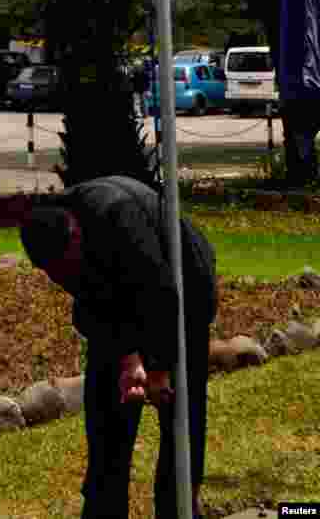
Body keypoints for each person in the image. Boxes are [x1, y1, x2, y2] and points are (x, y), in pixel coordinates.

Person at [19, 175, 217, 519]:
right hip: (126, 300)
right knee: (106, 415)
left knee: (181, 414)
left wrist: (156, 369)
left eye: (66, 265)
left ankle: (179, 508)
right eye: (53, 272)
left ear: (76, 234)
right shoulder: (52, 237)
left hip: (185, 291)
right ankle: (102, 509)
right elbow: (91, 308)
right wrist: (127, 358)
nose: (62, 276)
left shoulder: (118, 215)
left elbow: (161, 293)